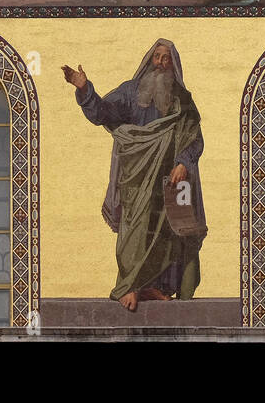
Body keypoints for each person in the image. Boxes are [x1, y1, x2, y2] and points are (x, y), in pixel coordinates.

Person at [62, 39, 207, 312]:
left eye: (167, 59)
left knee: (171, 233)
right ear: (149, 60)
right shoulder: (130, 92)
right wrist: (84, 89)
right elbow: (102, 113)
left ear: (173, 64)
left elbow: (194, 136)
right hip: (137, 178)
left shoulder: (182, 99)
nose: (162, 63)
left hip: (171, 182)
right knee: (135, 232)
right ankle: (129, 287)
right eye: (158, 57)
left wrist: (183, 162)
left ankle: (155, 287)